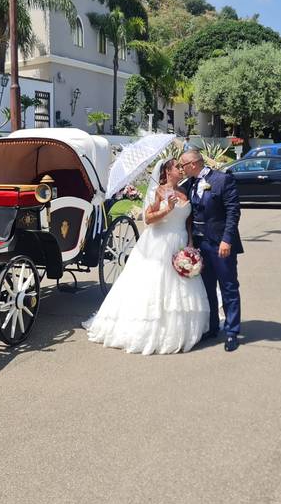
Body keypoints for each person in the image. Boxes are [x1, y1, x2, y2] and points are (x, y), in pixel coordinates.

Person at [84, 159, 210, 354]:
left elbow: (188, 221)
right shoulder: (159, 192)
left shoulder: (185, 192)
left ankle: (183, 329)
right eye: (177, 167)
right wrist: (166, 209)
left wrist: (191, 242)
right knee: (156, 284)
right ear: (168, 172)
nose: (181, 169)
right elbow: (148, 219)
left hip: (181, 242)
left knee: (181, 286)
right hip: (160, 243)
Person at [178, 149, 244, 352]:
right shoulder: (188, 184)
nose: (181, 169)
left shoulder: (222, 180)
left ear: (193, 164)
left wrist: (227, 240)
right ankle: (213, 326)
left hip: (220, 244)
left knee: (228, 287)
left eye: (183, 165)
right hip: (200, 245)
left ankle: (232, 332)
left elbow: (234, 211)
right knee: (207, 288)